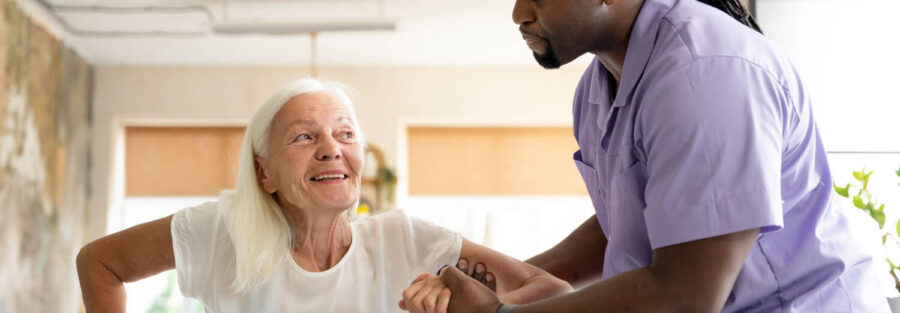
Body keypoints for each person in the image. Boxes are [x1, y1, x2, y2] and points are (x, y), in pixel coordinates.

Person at [437, 0, 891, 312]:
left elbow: (685, 296)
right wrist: (519, 277)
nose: (519, 13)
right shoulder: (595, 92)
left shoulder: (706, 71)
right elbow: (638, 214)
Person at [76, 78, 571, 313]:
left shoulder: (403, 239)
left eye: (346, 134)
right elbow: (100, 262)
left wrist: (484, 307)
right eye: (304, 137)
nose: (332, 150)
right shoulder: (221, 231)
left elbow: (551, 291)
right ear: (263, 172)